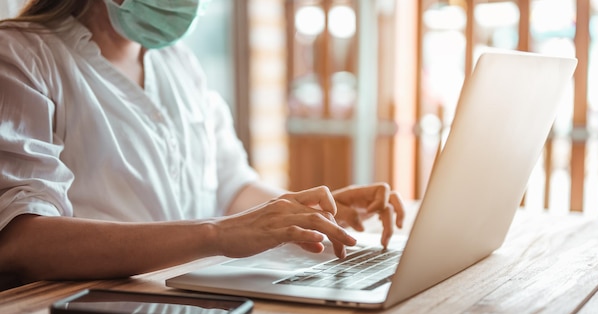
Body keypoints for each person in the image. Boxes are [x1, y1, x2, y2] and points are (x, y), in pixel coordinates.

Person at [0, 0, 404, 286]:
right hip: (91, 312)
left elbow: (232, 185)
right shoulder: (21, 57)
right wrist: (215, 235)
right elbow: (22, 241)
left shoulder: (178, 62)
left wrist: (306, 214)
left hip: (191, 295)